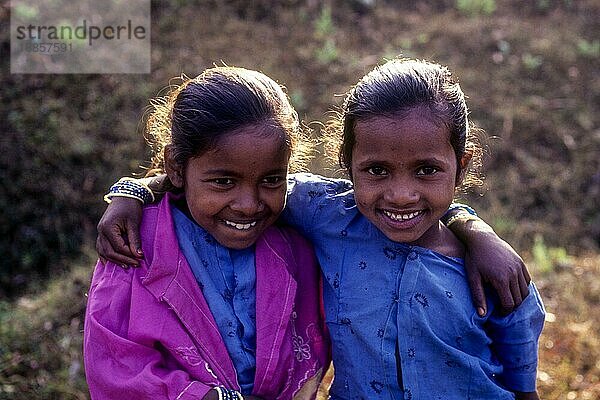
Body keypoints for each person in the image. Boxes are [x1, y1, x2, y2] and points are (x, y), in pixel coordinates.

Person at [97, 59, 538, 398]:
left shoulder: (486, 265)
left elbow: (520, 345)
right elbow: (221, 176)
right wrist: (133, 191)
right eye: (377, 170)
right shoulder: (328, 216)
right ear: (347, 168)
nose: (401, 195)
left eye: (425, 170)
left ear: (460, 168)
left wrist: (475, 229)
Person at [83, 67, 331, 400]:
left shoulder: (296, 239)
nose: (248, 205)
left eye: (271, 180)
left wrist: (133, 189)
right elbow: (114, 365)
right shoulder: (135, 246)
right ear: (176, 166)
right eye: (223, 182)